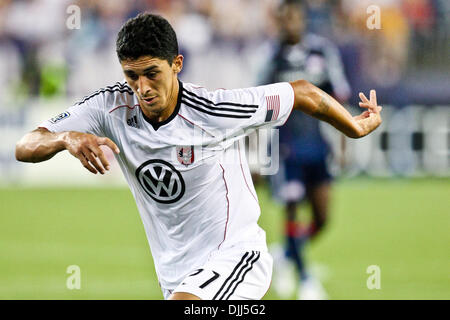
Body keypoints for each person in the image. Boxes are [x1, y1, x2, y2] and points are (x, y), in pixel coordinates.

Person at [15, 12, 382, 300]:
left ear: (176, 64)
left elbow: (302, 92)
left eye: (151, 74)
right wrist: (65, 138)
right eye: (131, 76)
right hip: (177, 275)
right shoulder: (109, 107)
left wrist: (354, 126)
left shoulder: (214, 108)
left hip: (237, 259)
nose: (141, 88)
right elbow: (27, 144)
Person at [262, 0, 351, 299]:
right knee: (291, 208)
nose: (291, 24)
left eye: (295, 18)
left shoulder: (322, 52)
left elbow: (339, 97)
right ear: (279, 22)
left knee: (322, 218)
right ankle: (306, 279)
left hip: (317, 145)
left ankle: (287, 253)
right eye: (285, 19)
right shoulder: (270, 58)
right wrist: (256, 155)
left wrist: (342, 141)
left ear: (303, 19)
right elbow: (252, 106)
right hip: (285, 149)